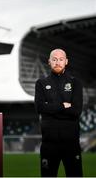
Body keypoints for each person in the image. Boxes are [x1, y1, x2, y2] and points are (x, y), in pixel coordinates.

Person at [34, 48, 83, 177]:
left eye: (61, 59)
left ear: (66, 61)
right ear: (49, 61)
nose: (58, 62)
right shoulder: (41, 83)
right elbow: (39, 108)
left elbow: (76, 111)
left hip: (71, 144)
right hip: (49, 144)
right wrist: (63, 106)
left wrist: (50, 108)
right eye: (54, 59)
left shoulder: (75, 83)